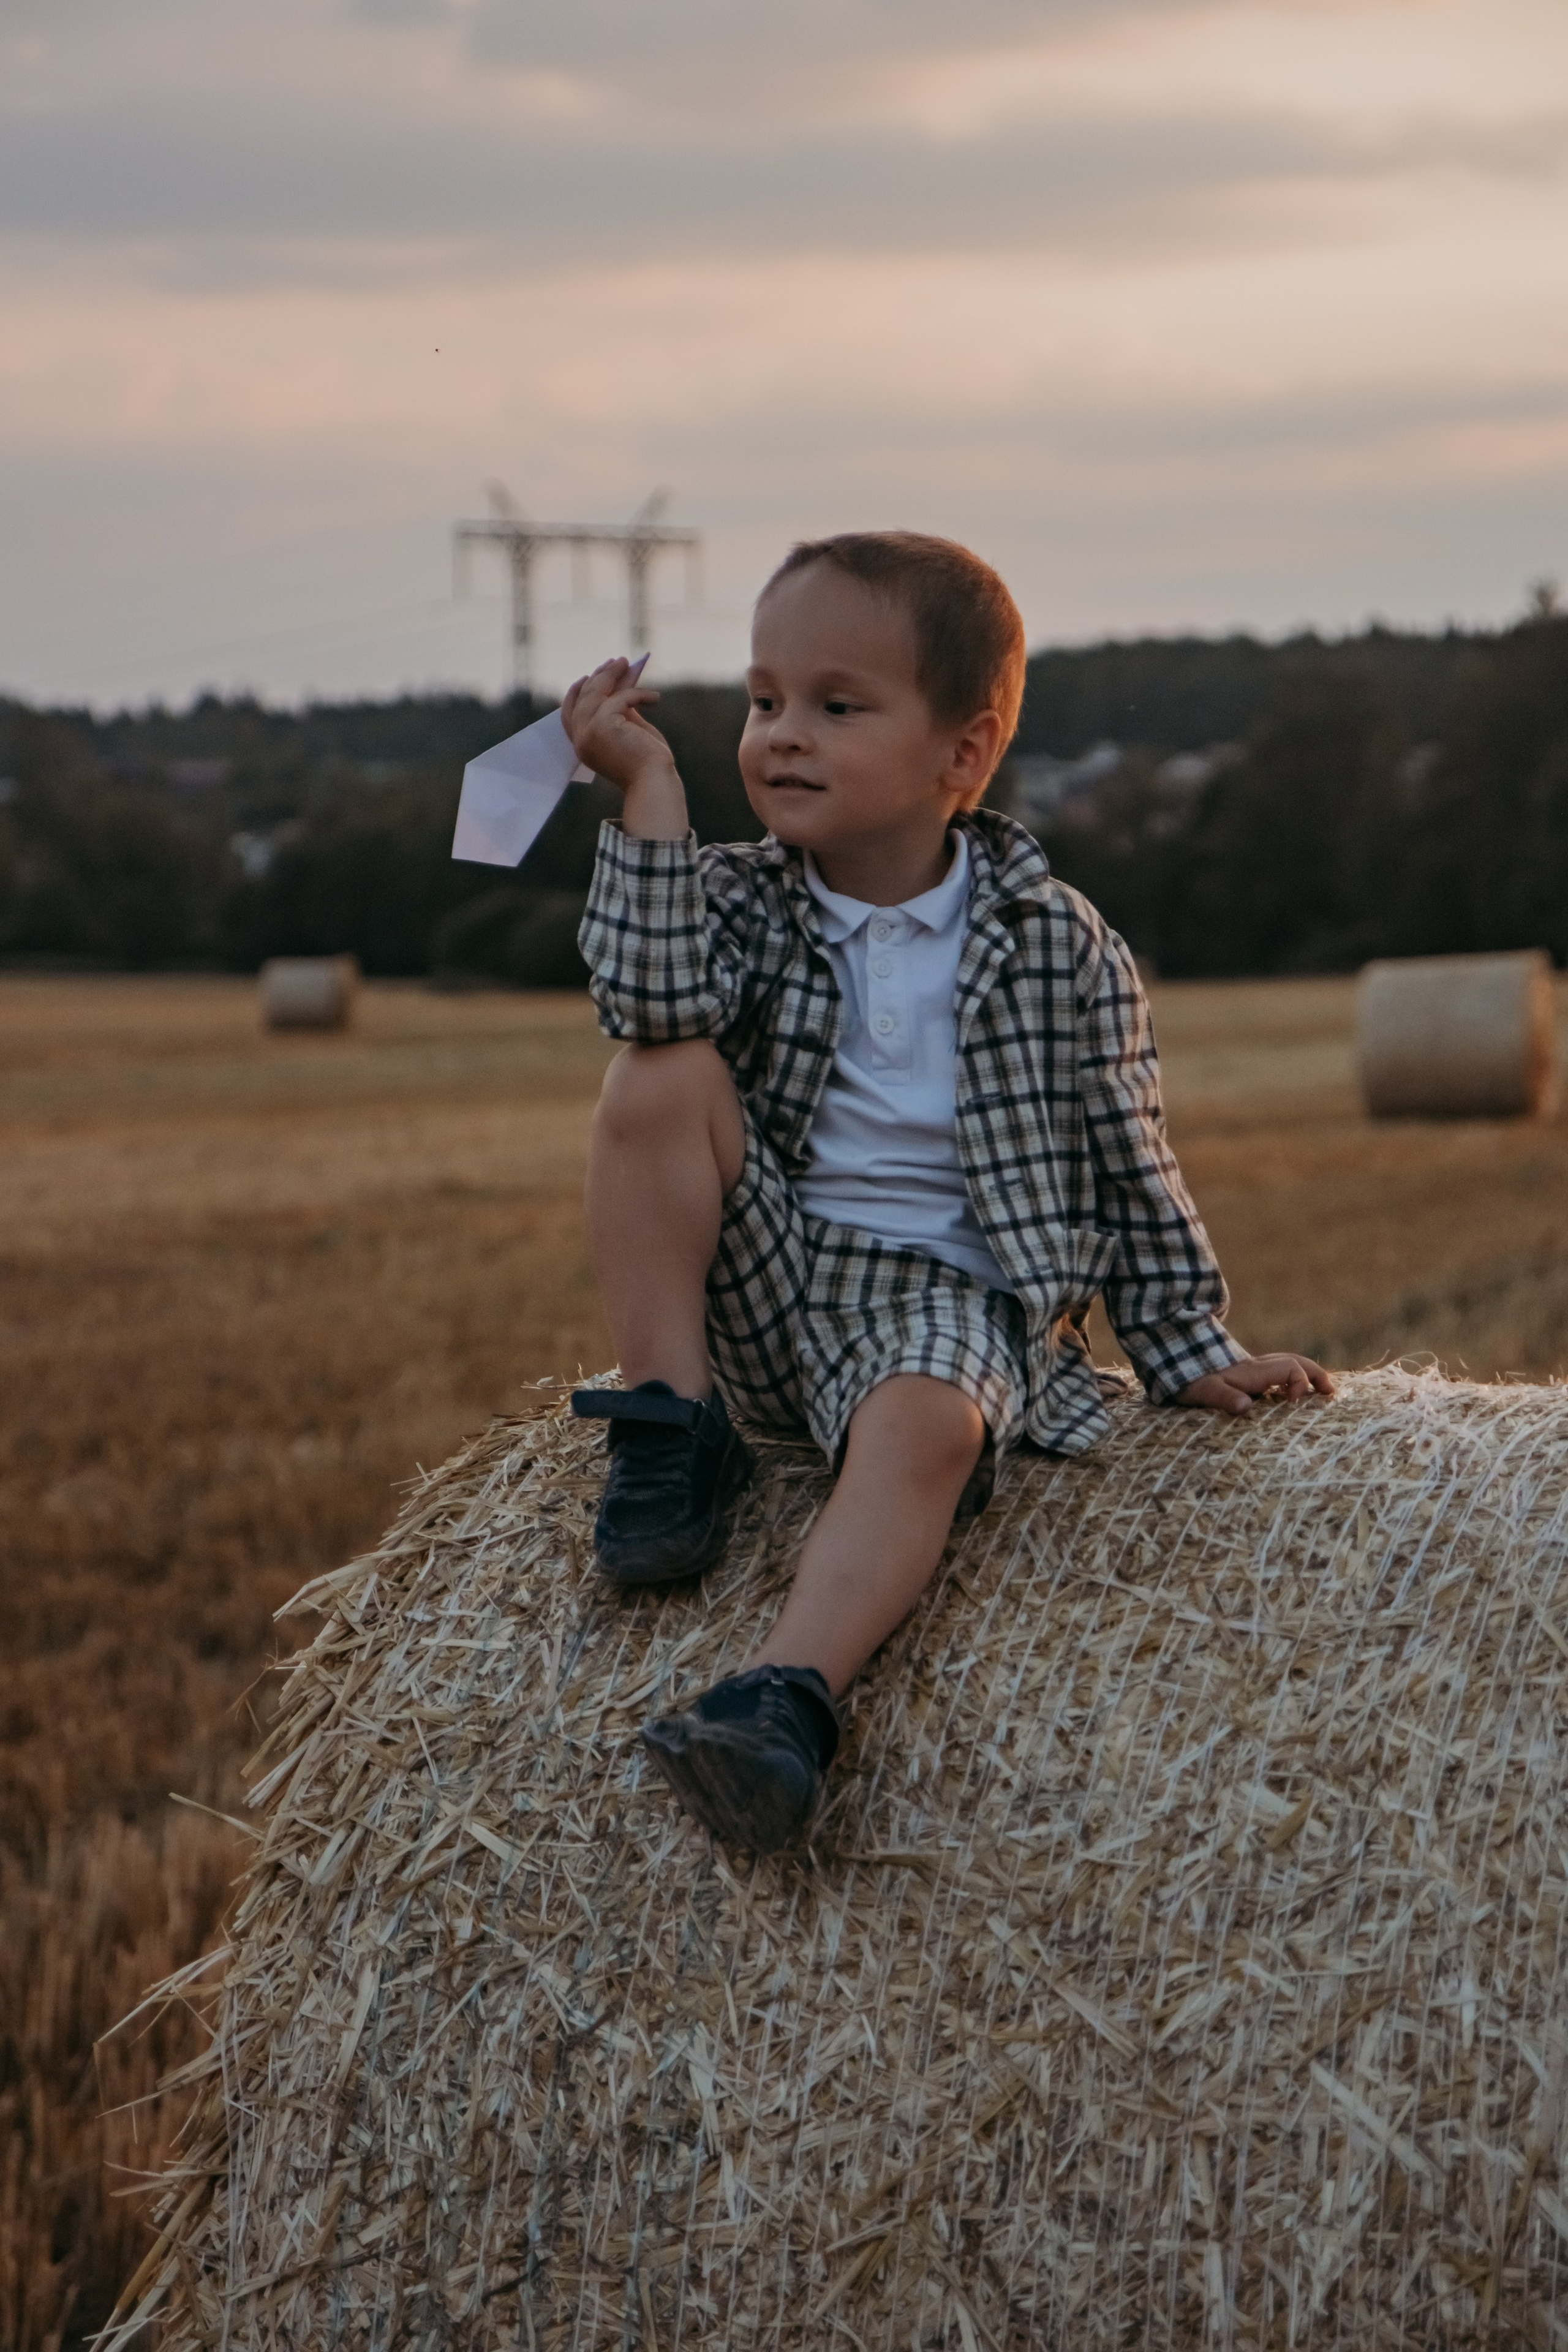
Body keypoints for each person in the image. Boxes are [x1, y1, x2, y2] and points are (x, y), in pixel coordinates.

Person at [563, 531, 1332, 1853]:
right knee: (652, 1077)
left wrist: (1186, 1347)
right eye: (761, 702)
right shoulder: (742, 903)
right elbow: (645, 996)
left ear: (961, 754)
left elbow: (1123, 1148)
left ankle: (781, 1699)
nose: (781, 735)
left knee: (927, 1427)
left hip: (942, 1305)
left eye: (835, 706)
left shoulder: (1056, 942)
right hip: (777, 1277)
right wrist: (648, 797)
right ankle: (667, 1427)